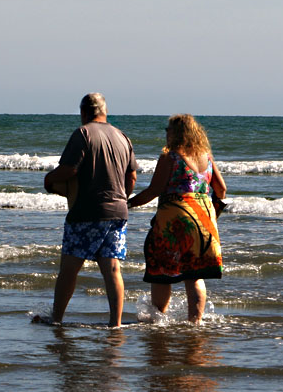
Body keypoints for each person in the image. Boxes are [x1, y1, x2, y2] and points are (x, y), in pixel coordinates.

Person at [39, 93, 138, 327]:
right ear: (105, 111)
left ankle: (57, 318)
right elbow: (132, 176)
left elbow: (69, 170)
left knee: (69, 269)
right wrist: (122, 196)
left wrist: (48, 179)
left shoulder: (83, 133)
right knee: (112, 268)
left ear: (83, 112)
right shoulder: (122, 137)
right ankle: (115, 323)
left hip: (86, 210)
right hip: (117, 212)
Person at [127, 114, 226, 324]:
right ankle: (195, 323)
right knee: (195, 273)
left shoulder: (170, 156)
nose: (165, 133)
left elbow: (154, 190)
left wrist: (127, 203)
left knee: (162, 270)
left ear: (176, 133)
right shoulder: (206, 156)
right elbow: (221, 189)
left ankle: (158, 320)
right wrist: (211, 213)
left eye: (168, 130)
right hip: (204, 219)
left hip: (175, 219)